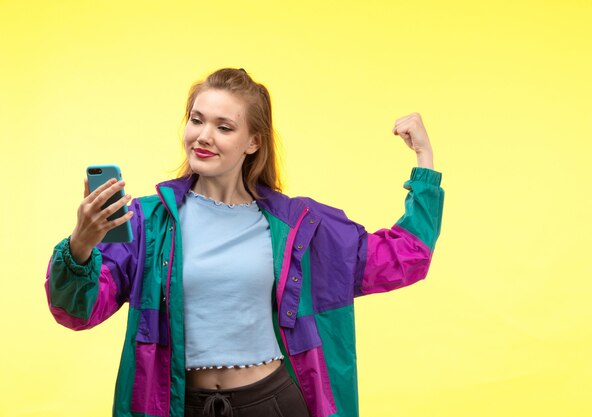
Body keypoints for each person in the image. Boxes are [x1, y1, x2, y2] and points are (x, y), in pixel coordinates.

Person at [45, 68, 445, 417]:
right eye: (196, 120)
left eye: (224, 126)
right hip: (178, 403)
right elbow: (77, 312)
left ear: (253, 141)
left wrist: (424, 161)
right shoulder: (149, 222)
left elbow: (406, 257)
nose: (203, 136)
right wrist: (81, 244)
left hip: (273, 403)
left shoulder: (299, 226)